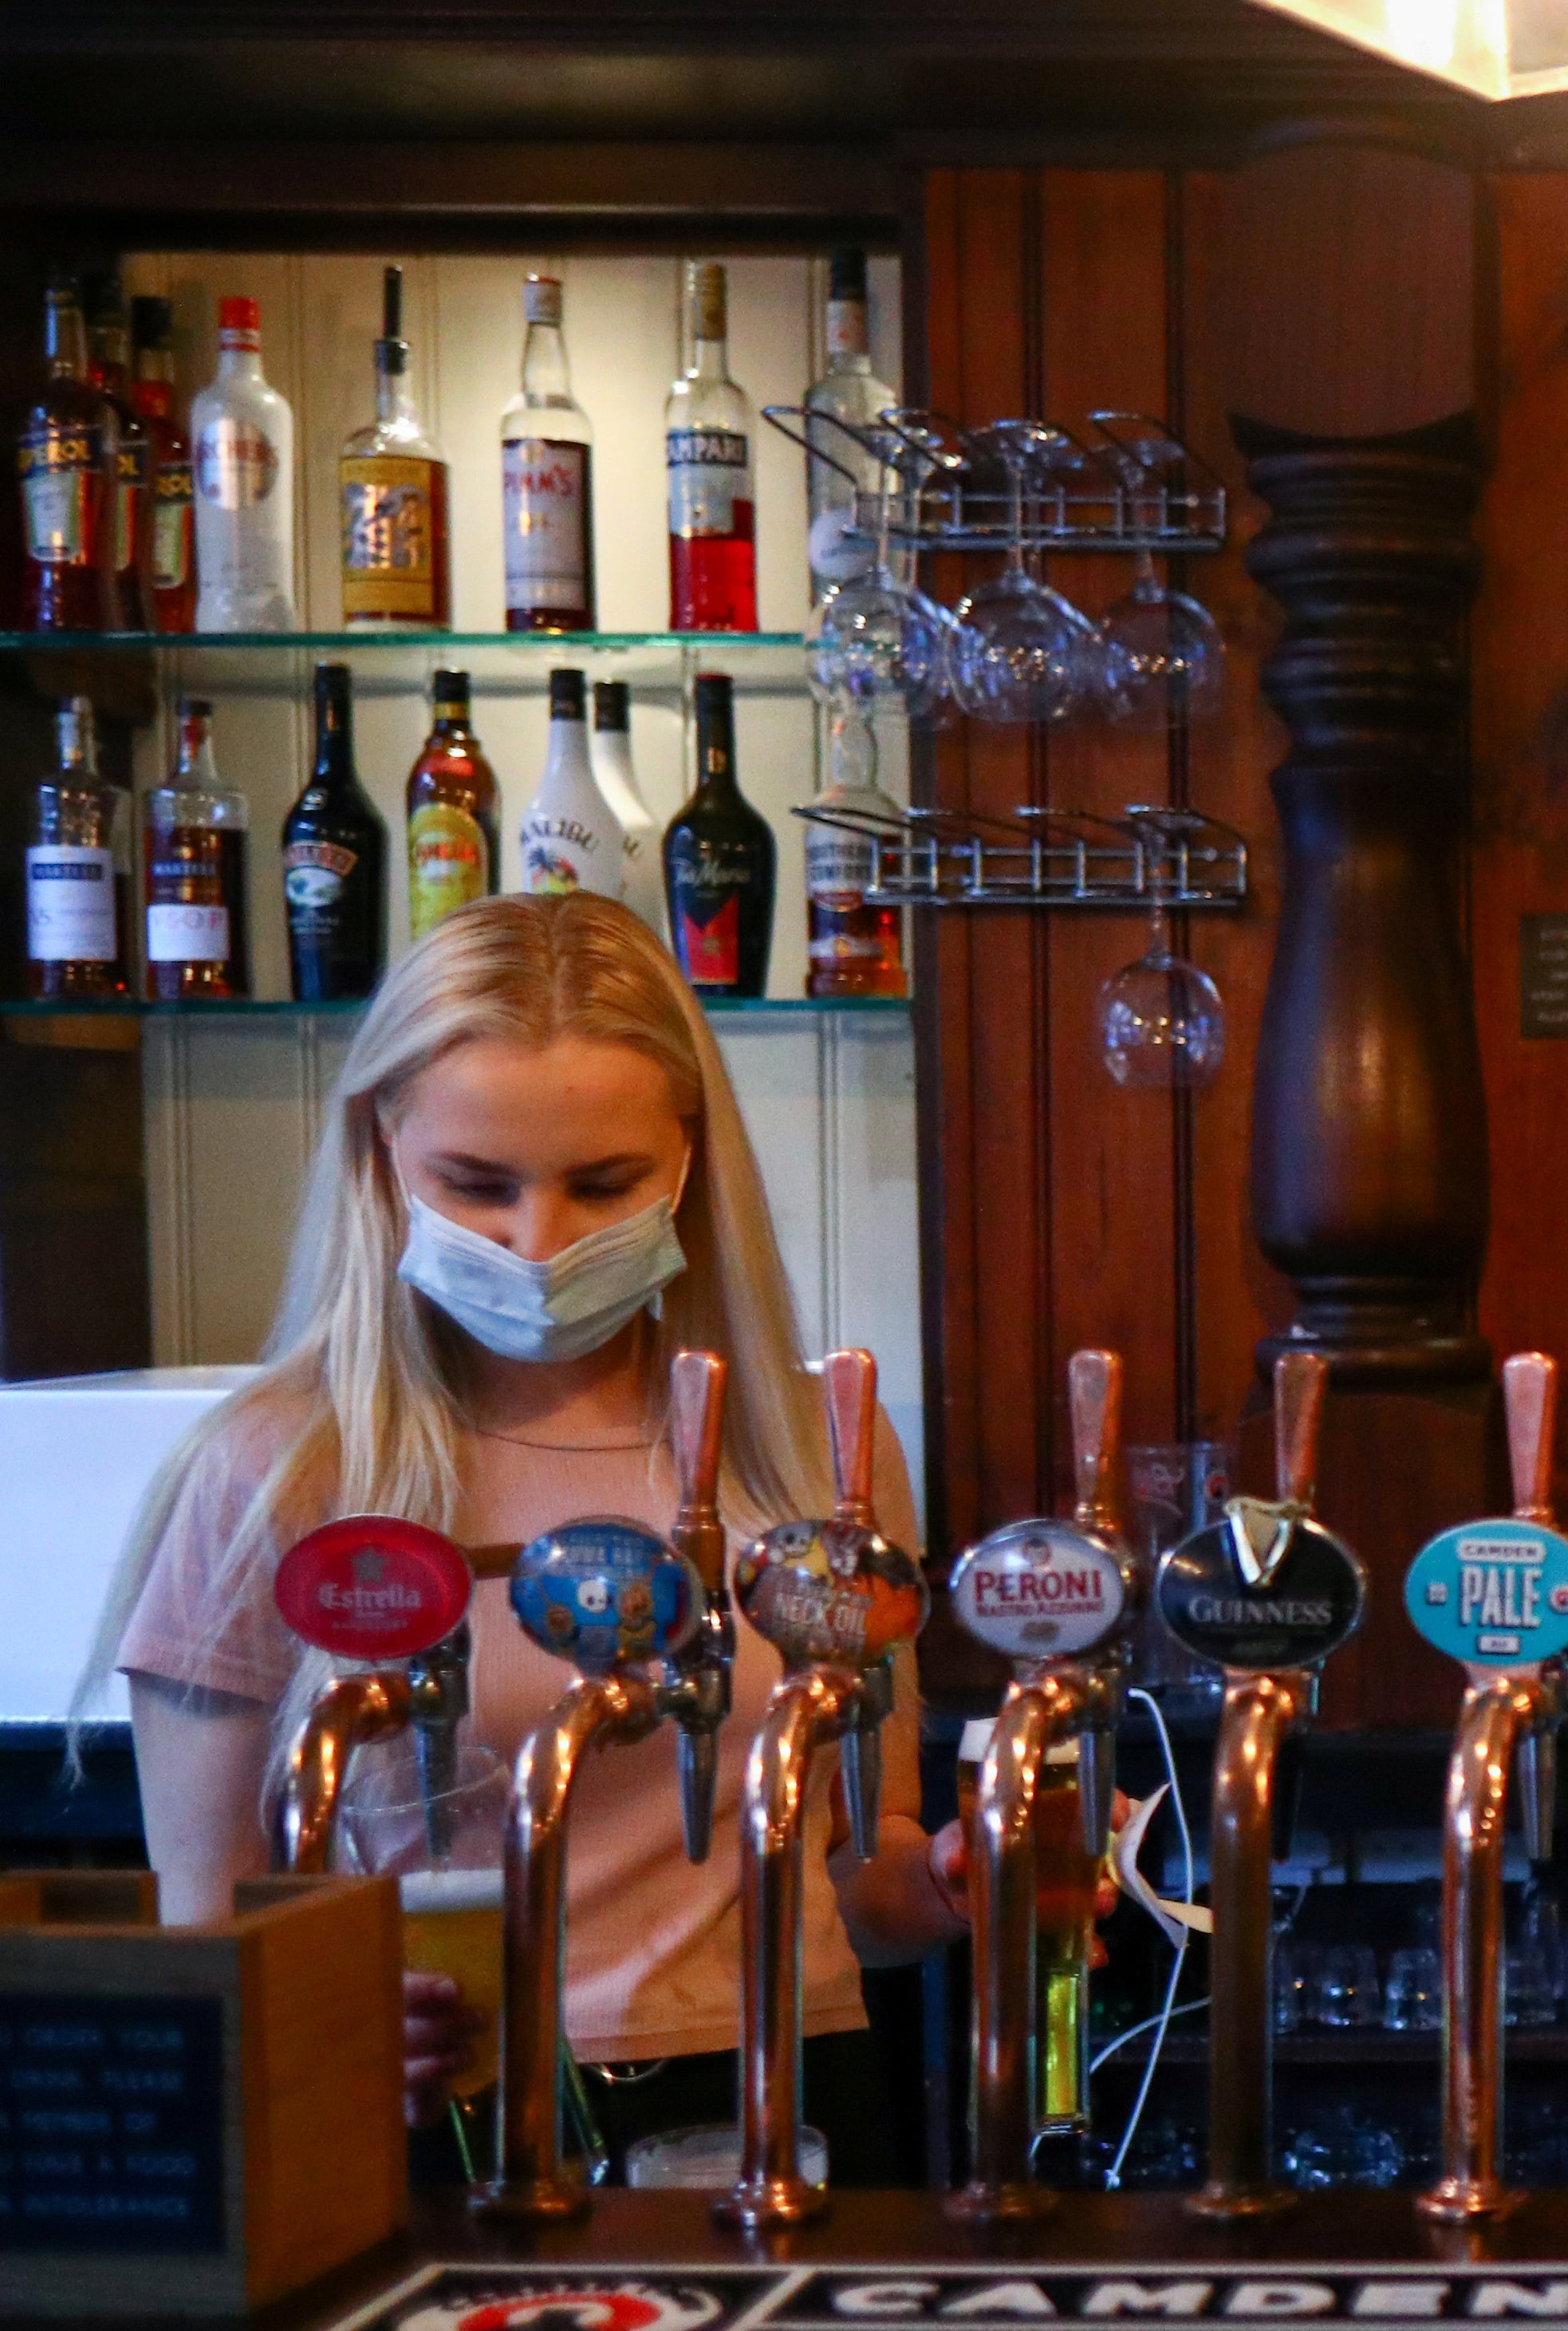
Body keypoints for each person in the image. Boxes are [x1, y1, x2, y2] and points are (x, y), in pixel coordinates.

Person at [88, 892, 974, 2175]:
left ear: (687, 1160)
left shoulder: (812, 1457)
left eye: (602, 1183)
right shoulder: (275, 1471)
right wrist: (318, 2014)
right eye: (477, 1183)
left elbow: (864, 1886)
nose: (537, 1240)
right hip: (435, 2122)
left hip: (790, 2100)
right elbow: (207, 1936)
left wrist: (964, 1878)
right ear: (382, 1153)